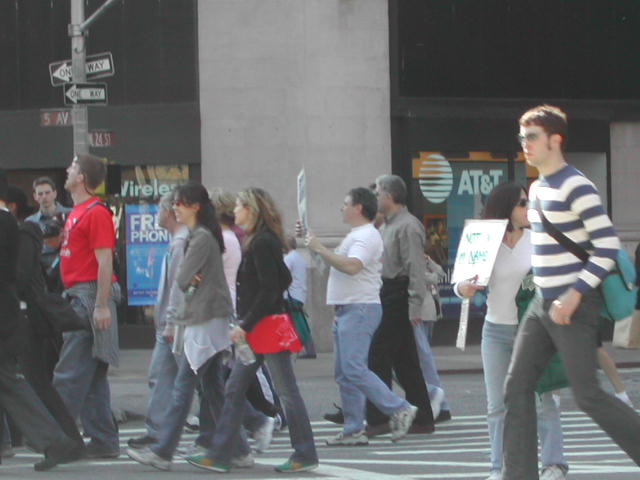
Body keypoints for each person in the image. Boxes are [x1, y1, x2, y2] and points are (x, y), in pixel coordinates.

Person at [502, 105, 640, 479]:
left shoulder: (576, 184)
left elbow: (608, 245)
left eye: (531, 137)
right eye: (521, 137)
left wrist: (576, 293)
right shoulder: (537, 187)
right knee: (516, 386)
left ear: (555, 139)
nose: (524, 145)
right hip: (543, 303)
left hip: (573, 304)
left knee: (588, 395)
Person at [186, 187, 318, 474]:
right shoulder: (260, 241)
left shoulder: (261, 243)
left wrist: (245, 324)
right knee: (234, 388)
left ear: (252, 209)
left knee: (285, 392)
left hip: (265, 328)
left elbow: (272, 287)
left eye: (240, 207)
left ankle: (304, 451)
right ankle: (221, 453)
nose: (235, 212)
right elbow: (280, 279)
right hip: (259, 328)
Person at [455, 182, 568, 480]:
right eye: (522, 203)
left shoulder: (539, 238)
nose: (528, 208)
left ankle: (554, 464)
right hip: (496, 331)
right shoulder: (483, 238)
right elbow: (462, 282)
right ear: (506, 208)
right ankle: (498, 467)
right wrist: (464, 288)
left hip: (534, 331)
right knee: (497, 405)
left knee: (544, 398)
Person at [127, 183, 237, 471]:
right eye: (174, 203)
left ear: (195, 206)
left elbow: (184, 278)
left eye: (180, 203)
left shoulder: (199, 238)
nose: (175, 207)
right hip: (208, 318)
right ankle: (239, 448)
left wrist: (179, 308)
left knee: (183, 388)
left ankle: (163, 451)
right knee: (211, 387)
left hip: (204, 320)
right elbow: (189, 279)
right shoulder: (201, 236)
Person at [305, 187, 420, 445]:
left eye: (345, 204)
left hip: (360, 308)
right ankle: (354, 429)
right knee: (345, 373)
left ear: (358, 208)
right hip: (349, 308)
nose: (341, 208)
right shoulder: (357, 234)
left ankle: (398, 407)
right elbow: (338, 265)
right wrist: (316, 247)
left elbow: (352, 266)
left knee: (354, 368)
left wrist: (320, 248)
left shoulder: (367, 236)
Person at [0, 172, 79, 471]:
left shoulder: (6, 223)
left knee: (14, 382)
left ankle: (56, 440)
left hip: (5, 316)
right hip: (8, 315)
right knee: (10, 382)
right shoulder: (12, 224)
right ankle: (55, 441)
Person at [53, 154, 121, 458]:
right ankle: (104, 441)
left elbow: (104, 259)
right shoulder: (78, 212)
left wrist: (101, 304)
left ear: (81, 178)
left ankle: (56, 438)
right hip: (80, 295)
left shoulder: (95, 212)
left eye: (73, 167)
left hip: (88, 296)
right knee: (92, 377)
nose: (68, 170)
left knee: (68, 373)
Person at [366, 174, 435, 435]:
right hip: (387, 293)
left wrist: (415, 304)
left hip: (398, 294)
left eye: (378, 192)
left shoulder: (408, 225)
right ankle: (423, 418)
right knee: (405, 360)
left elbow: (415, 268)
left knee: (378, 355)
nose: (375, 197)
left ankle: (379, 416)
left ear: (390, 196)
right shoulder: (386, 226)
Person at [127, 193, 189, 450]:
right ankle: (157, 433)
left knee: (202, 383)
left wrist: (172, 322)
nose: (157, 215)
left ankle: (252, 421)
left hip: (175, 326)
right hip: (168, 325)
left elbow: (179, 286)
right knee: (161, 377)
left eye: (160, 210)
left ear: (170, 213)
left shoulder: (181, 243)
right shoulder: (176, 242)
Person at [415, 253, 451, 422]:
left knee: (423, 355)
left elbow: (439, 274)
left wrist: (429, 261)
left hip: (425, 312)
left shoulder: (416, 259)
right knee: (423, 356)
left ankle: (436, 399)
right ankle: (438, 402)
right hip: (423, 310)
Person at [25, 177, 71, 270]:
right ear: (35, 196)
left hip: (68, 267)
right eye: (40, 194)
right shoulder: (30, 222)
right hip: (42, 271)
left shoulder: (70, 215)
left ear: (55, 193)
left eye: (47, 192)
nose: (44, 197)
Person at [284, 235, 317, 358]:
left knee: (297, 323)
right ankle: (305, 348)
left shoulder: (289, 259)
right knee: (298, 322)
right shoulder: (299, 258)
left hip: (291, 295)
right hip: (299, 294)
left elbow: (283, 275)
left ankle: (307, 349)